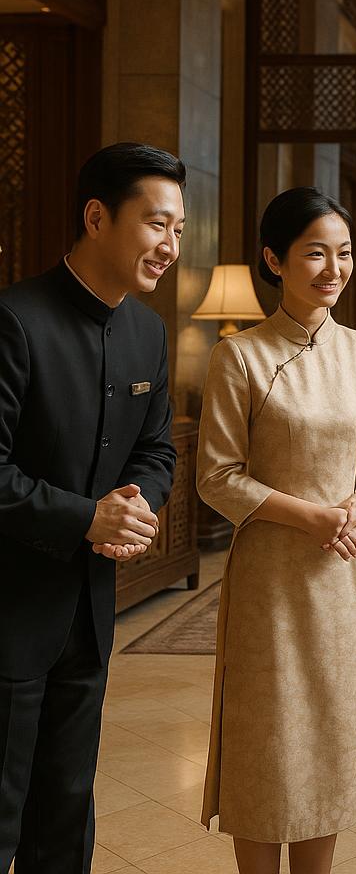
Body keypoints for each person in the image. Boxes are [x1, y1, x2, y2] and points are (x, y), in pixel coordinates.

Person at [197, 187, 356, 874]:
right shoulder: (241, 357)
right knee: (267, 738)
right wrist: (312, 514)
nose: (333, 268)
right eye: (315, 252)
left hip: (345, 577)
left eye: (343, 253)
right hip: (270, 578)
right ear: (273, 260)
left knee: (332, 737)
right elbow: (218, 476)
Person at [0, 142, 185, 871]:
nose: (170, 246)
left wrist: (137, 508)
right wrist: (87, 518)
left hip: (89, 613)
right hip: (9, 612)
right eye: (156, 224)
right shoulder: (14, 321)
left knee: (68, 806)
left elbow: (158, 451)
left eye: (178, 229)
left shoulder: (147, 331)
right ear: (97, 217)